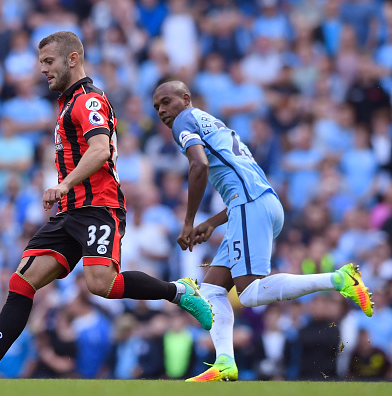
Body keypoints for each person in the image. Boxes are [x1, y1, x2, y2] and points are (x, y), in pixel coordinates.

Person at [0, 31, 213, 380]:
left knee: (100, 283)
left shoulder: (88, 99)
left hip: (99, 207)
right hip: (70, 211)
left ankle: (179, 291)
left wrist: (63, 184)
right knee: (21, 282)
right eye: (40, 62)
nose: (42, 69)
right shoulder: (65, 101)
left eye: (48, 61)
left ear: (72, 59)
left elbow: (100, 149)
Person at [151, 80, 374, 382]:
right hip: (261, 203)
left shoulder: (184, 120)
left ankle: (339, 278)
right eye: (157, 107)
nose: (162, 110)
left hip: (250, 205)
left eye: (166, 101)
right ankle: (225, 361)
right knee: (213, 290)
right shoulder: (213, 122)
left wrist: (189, 220)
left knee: (250, 293)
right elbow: (237, 179)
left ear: (186, 98)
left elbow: (199, 166)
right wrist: (212, 223)